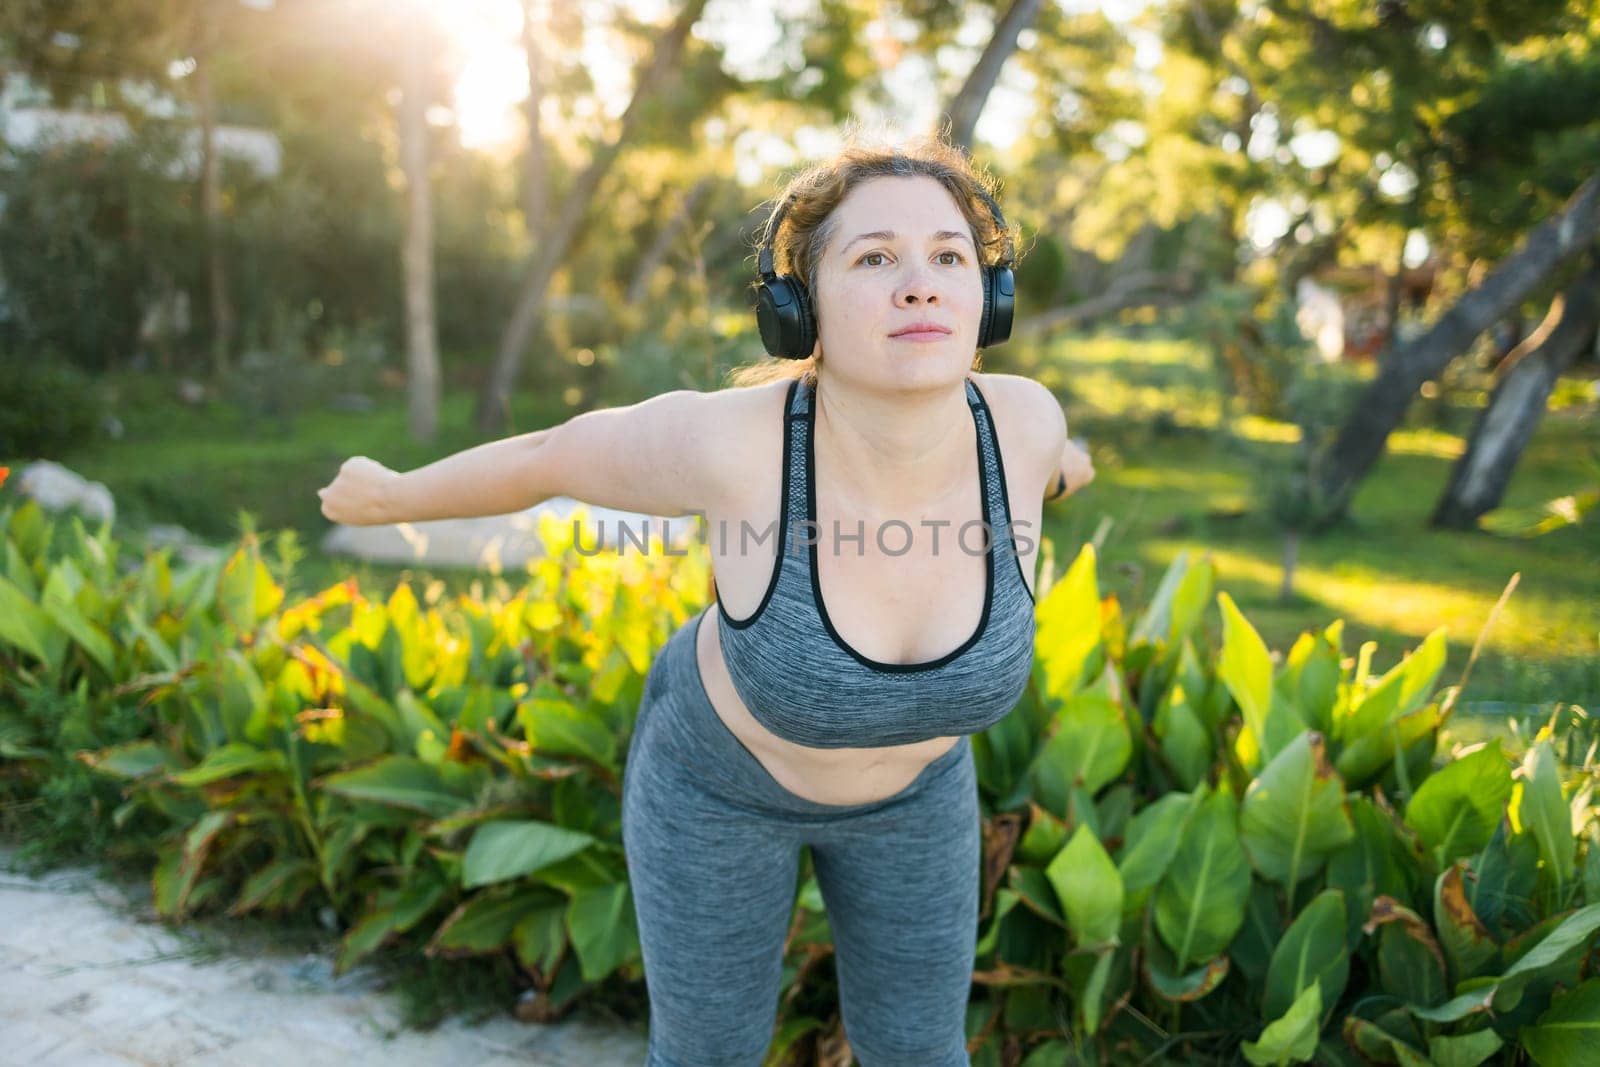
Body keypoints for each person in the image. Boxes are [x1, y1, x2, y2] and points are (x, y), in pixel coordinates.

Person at [317, 128, 1094, 1067]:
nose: (919, 283)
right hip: (721, 789)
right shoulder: (733, 445)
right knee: (709, 1054)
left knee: (921, 1052)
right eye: (875, 257)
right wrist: (394, 494)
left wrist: (1064, 470)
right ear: (798, 305)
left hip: (918, 797)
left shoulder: (1024, 425)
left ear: (990, 295)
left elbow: (1049, 468)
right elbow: (547, 454)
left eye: (949, 256)